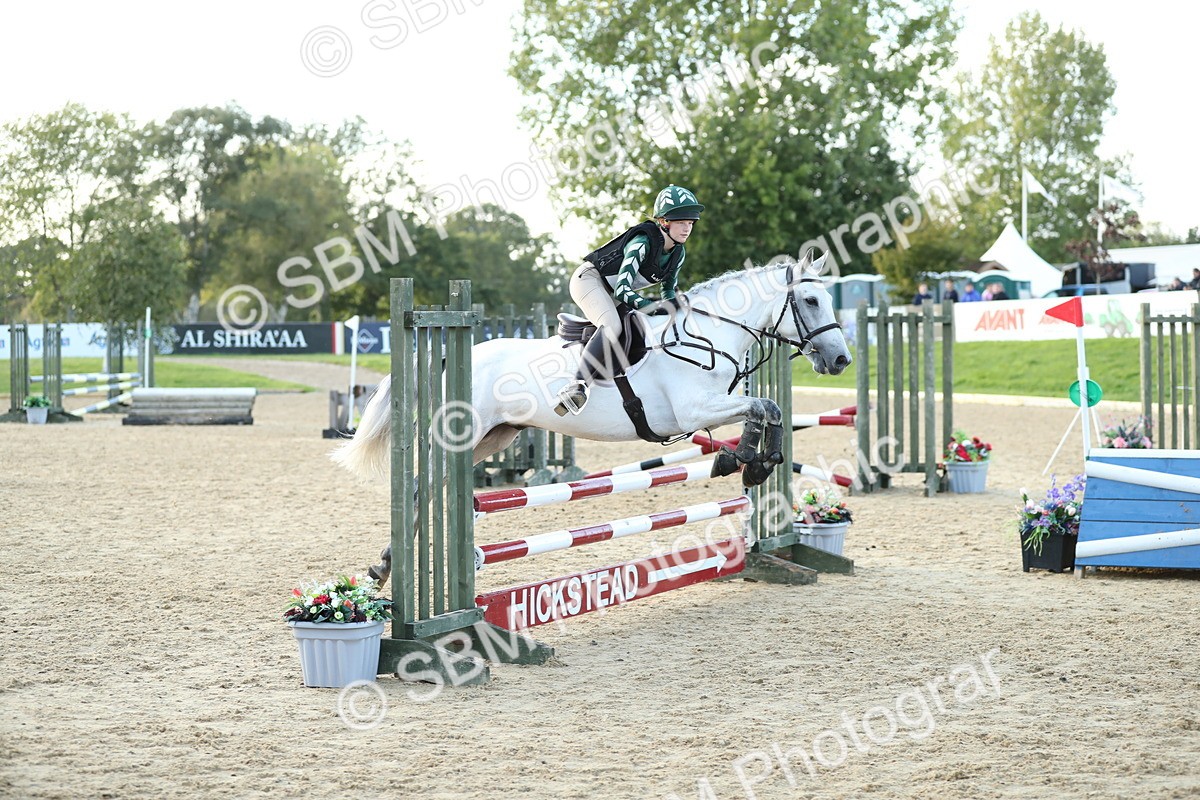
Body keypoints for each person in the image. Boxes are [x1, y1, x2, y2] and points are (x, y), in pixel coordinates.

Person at [554, 184, 703, 416]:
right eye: (681, 222)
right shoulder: (642, 243)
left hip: (612, 291)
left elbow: (668, 292)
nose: (687, 228)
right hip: (590, 281)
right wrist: (654, 308)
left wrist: (675, 312)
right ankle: (577, 386)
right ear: (664, 222)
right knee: (612, 325)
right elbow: (623, 290)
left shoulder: (678, 253)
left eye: (691, 223)